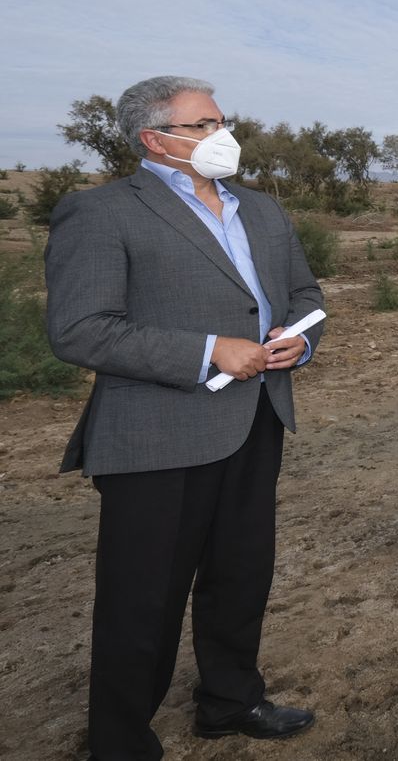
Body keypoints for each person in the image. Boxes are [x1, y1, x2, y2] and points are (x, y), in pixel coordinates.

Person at [45, 76, 324, 760]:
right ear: (154, 138)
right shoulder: (102, 212)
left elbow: (303, 293)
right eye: (203, 125)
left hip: (255, 417)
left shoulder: (261, 209)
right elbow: (80, 329)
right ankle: (120, 741)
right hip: (157, 433)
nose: (222, 135)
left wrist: (301, 339)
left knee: (241, 575)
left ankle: (230, 701)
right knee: (143, 598)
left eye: (222, 122)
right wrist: (207, 351)